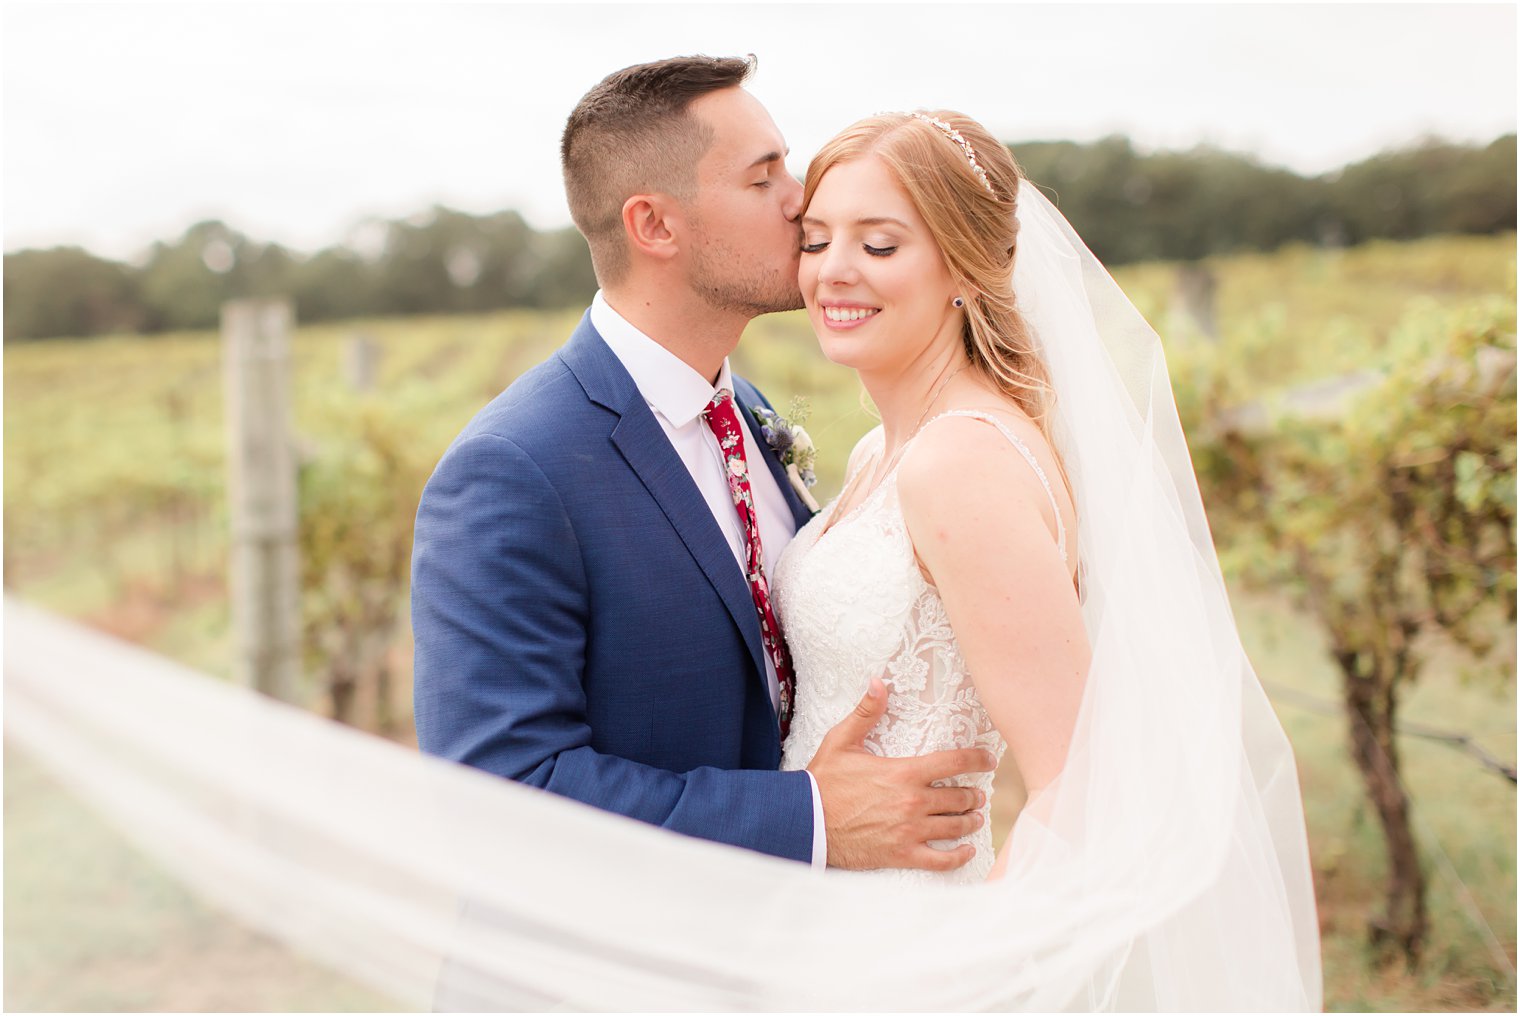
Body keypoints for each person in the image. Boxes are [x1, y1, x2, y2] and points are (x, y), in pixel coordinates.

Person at [410, 56, 993, 874]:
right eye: (764, 179)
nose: (803, 199)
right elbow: (500, 796)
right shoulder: (513, 469)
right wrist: (809, 820)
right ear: (654, 226)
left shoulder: (747, 413)